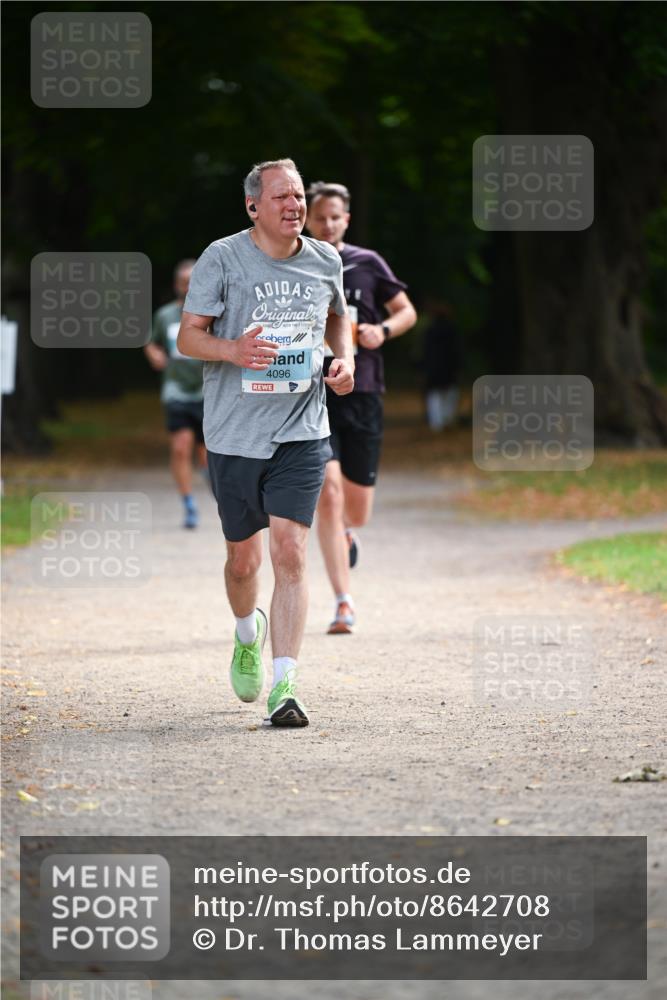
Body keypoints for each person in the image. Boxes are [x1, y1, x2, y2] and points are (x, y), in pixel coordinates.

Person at [177, 158, 354, 727]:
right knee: (242, 562)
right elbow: (188, 337)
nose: (294, 205)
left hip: (303, 429)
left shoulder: (326, 258)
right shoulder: (223, 258)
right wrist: (234, 351)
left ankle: (285, 687)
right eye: (281, 196)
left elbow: (337, 319)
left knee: (290, 554)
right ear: (254, 206)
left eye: (299, 195)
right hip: (234, 434)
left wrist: (343, 358)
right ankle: (246, 632)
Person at [305, 182, 417, 634]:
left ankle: (349, 533)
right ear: (308, 220)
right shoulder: (300, 264)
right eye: (320, 217)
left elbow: (407, 310)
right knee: (326, 495)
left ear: (346, 219)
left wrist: (383, 331)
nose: (328, 224)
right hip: (316, 394)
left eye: (335, 217)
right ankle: (343, 602)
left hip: (365, 391)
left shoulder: (367, 263)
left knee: (357, 510)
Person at [144, 260, 207, 529]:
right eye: (184, 282)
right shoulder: (165, 316)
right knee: (181, 447)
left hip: (207, 390)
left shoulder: (213, 314)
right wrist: (155, 354)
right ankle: (189, 503)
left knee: (206, 453)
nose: (188, 286)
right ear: (176, 285)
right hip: (177, 390)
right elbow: (151, 342)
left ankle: (209, 476)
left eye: (193, 281)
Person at [422, 298, 461, 430]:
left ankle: (438, 423)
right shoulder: (451, 330)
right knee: (445, 393)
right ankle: (444, 421)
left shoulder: (430, 330)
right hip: (446, 368)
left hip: (435, 368)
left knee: (437, 394)